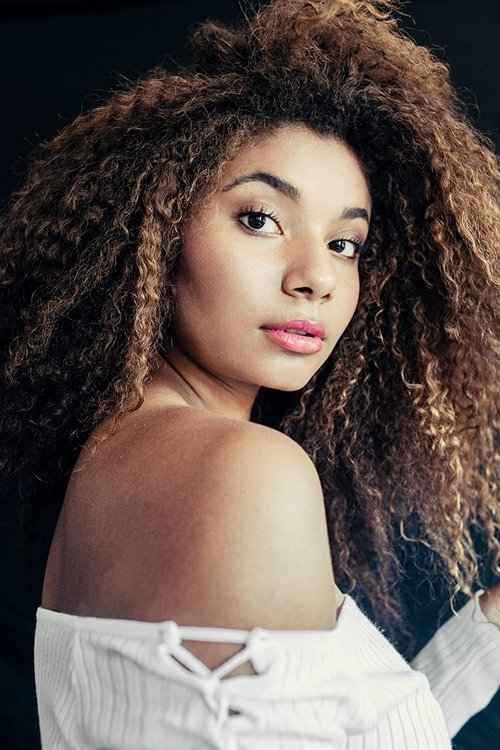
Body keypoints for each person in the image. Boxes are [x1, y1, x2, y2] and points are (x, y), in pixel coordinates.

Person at [1, 0, 499, 747]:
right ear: (156, 228)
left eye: (344, 244)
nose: (316, 278)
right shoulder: (242, 468)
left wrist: (488, 628)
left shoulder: (124, 453)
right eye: (260, 218)